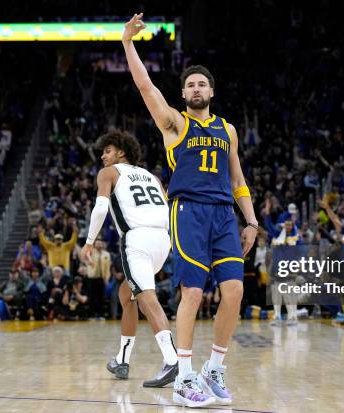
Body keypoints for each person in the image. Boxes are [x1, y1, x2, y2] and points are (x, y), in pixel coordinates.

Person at [122, 13, 258, 407]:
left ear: (211, 91)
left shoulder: (227, 130)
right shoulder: (174, 124)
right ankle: (183, 376)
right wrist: (128, 44)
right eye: (190, 85)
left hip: (224, 216)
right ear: (183, 94)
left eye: (202, 83)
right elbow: (146, 87)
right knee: (193, 293)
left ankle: (213, 369)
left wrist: (250, 220)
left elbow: (238, 179)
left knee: (234, 290)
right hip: (188, 212)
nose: (196, 88)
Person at [80, 130, 178, 388]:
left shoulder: (109, 173)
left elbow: (101, 207)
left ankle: (172, 361)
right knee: (127, 294)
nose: (103, 156)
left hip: (137, 240)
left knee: (146, 298)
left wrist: (89, 242)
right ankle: (122, 360)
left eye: (107, 151)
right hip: (162, 241)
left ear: (121, 152)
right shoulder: (153, 177)